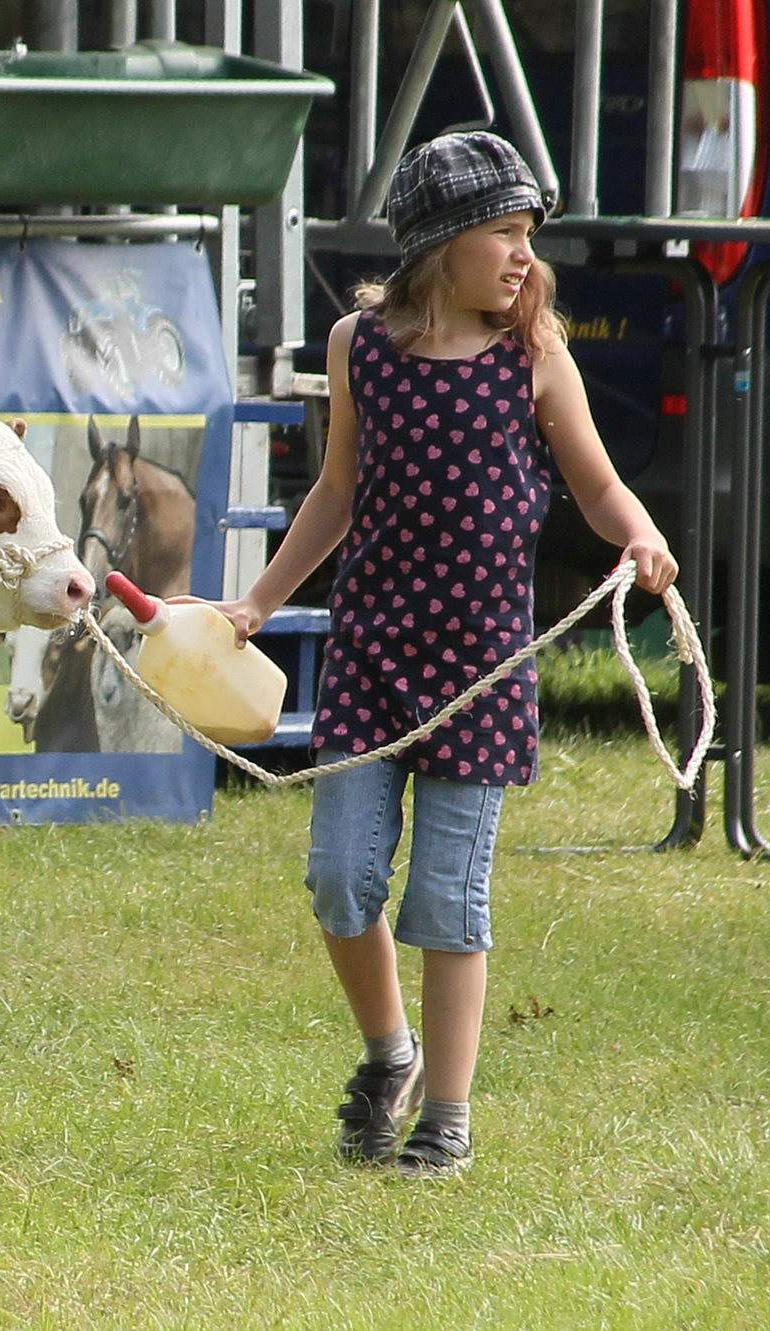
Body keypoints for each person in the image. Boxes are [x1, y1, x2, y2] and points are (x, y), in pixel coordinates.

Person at [203, 131, 678, 1178]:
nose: (523, 254)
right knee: (340, 879)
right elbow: (334, 492)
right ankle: (391, 1055)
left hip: (481, 671)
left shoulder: (532, 355)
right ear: (438, 244)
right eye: (502, 233)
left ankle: (446, 1119)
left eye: (526, 234)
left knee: (447, 902)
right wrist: (258, 599)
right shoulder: (357, 347)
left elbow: (598, 485)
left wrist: (639, 534)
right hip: (372, 657)